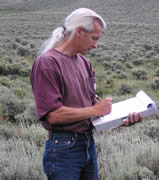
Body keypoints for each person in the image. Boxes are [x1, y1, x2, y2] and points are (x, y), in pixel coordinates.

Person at [30, 8, 142, 180]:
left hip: (87, 144)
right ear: (80, 32)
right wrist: (97, 111)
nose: (96, 45)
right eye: (94, 38)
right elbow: (52, 115)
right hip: (63, 149)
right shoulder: (47, 63)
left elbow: (91, 109)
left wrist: (121, 119)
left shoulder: (85, 64)